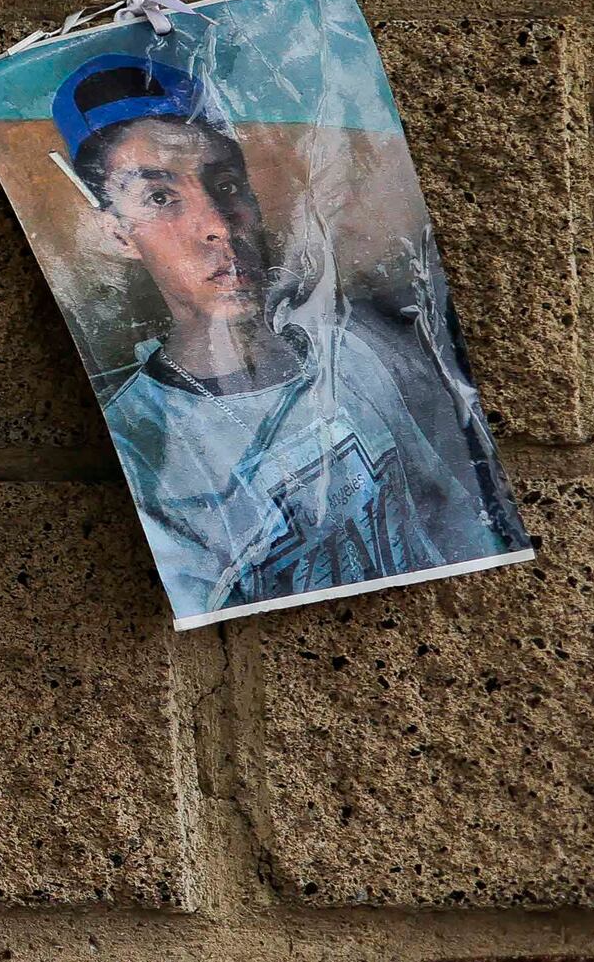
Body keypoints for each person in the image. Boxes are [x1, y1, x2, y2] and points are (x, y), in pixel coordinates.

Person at [52, 48, 526, 619]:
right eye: (160, 198)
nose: (217, 227)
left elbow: (447, 509)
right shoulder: (141, 440)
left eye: (226, 186)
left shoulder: (346, 354)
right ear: (118, 235)